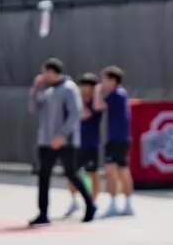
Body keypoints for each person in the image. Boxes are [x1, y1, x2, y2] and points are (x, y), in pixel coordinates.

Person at [27, 58, 94, 226]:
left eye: (44, 72)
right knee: (44, 175)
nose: (43, 75)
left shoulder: (69, 89)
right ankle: (43, 213)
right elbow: (33, 108)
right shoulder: (47, 91)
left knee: (71, 173)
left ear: (51, 71)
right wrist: (35, 89)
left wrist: (62, 135)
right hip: (46, 140)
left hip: (65, 142)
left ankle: (90, 205)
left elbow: (75, 114)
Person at [97, 66, 134, 218]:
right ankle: (126, 204)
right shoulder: (120, 94)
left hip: (116, 139)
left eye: (105, 79)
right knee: (121, 170)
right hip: (119, 138)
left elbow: (98, 106)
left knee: (111, 170)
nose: (103, 82)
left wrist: (98, 91)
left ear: (113, 80)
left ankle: (115, 203)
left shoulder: (116, 94)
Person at [65, 72, 102, 220]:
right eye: (83, 86)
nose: (85, 89)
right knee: (71, 172)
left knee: (93, 173)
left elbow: (85, 114)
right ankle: (74, 201)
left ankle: (92, 202)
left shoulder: (95, 102)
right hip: (76, 143)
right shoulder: (76, 100)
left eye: (89, 86)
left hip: (91, 144)